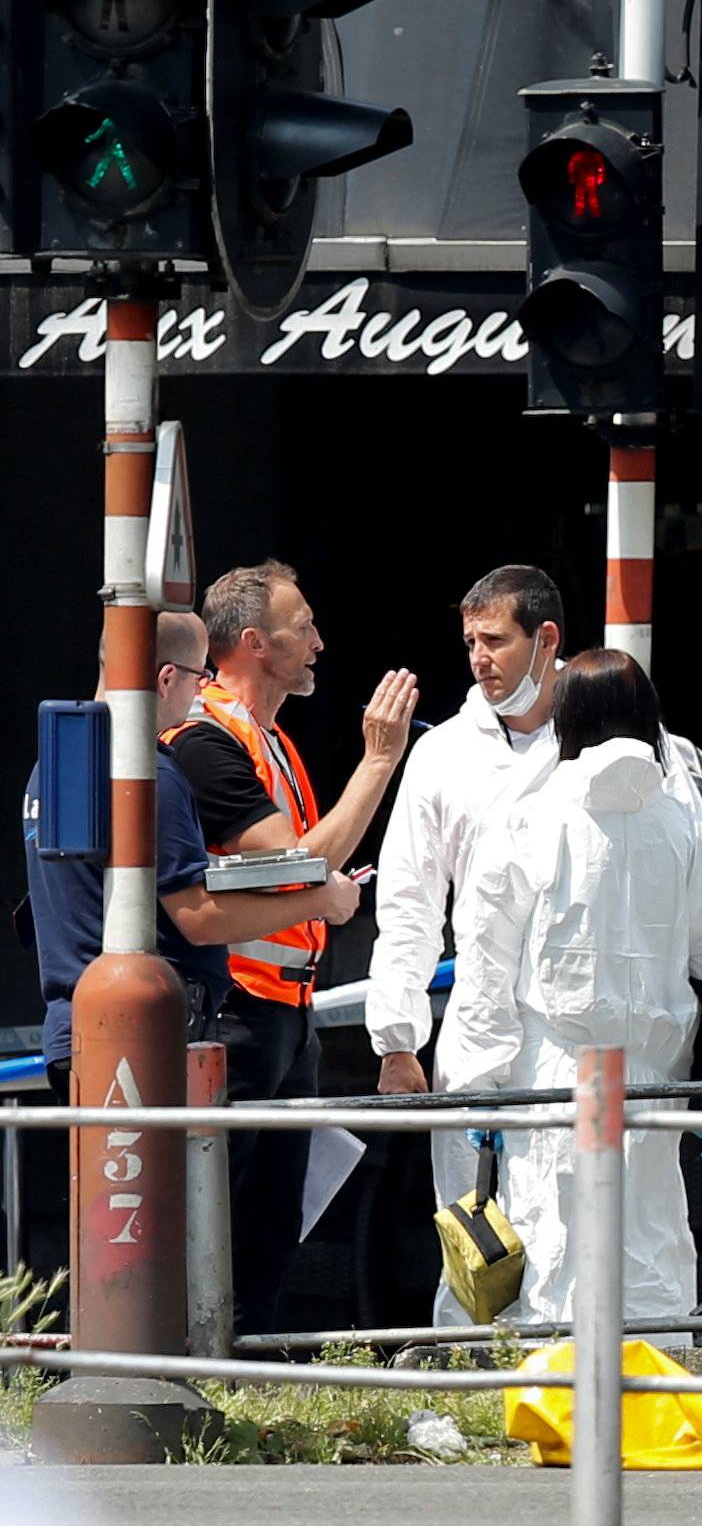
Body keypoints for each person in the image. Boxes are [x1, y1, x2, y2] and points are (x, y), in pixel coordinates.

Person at [366, 563, 702, 1329]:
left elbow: (487, 946)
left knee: (545, 1250)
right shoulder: (447, 757)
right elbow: (410, 904)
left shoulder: (616, 792)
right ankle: (624, 1403)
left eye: (494, 639)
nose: (479, 657)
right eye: (469, 640)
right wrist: (399, 1035)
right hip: (581, 1056)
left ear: (548, 642)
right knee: (506, 1246)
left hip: (551, 1054)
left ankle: (536, 1411)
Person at [444, 648, 702, 1329]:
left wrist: (481, 1083)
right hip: (655, 1070)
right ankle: (660, 1404)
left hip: (557, 1070)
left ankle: (567, 1418)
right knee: (654, 1242)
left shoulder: (532, 814)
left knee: (558, 1247)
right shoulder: (683, 820)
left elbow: (487, 957)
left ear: (567, 718)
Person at [164, 561, 417, 1336]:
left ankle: (248, 1385)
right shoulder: (206, 738)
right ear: (253, 643)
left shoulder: (271, 741)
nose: (318, 640)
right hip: (235, 1013)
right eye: (301, 625)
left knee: (272, 1229)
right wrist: (379, 762)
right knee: (221, 1222)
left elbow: (304, 865)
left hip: (285, 1013)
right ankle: (202, 1383)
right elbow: (297, 864)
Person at [22, 613, 360, 1102]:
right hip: (145, 1040)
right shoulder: (147, 773)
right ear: (166, 678)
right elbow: (199, 916)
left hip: (77, 1028)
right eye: (199, 677)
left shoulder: (51, 767)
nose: (202, 692)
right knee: (169, 1181)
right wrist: (320, 901)